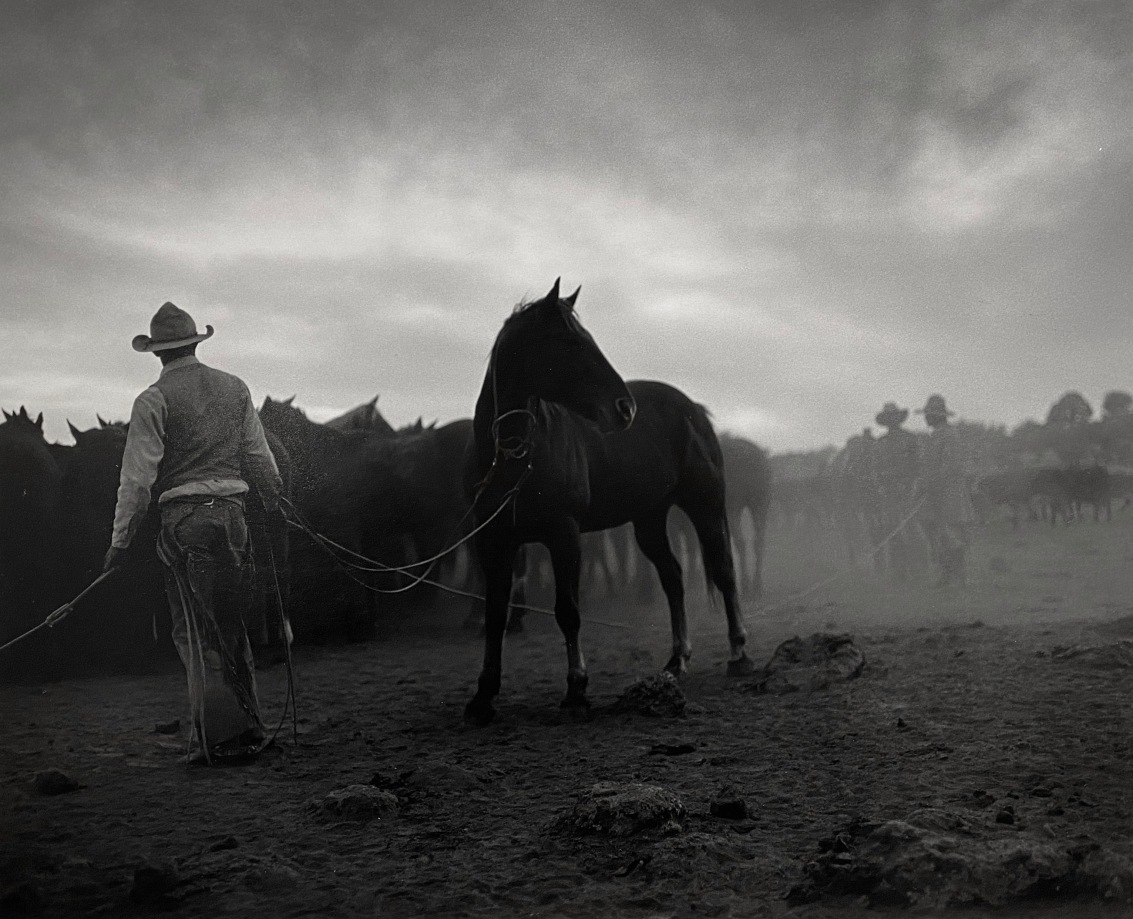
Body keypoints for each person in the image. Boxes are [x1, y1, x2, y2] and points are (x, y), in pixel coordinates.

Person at [104, 302, 283, 765]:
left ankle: (221, 739)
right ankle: (251, 726)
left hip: (185, 523)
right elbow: (259, 456)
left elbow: (137, 481)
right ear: (194, 343)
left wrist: (120, 543)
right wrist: (275, 497)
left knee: (192, 629)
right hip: (233, 515)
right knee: (231, 621)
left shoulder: (152, 400)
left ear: (158, 353)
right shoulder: (234, 387)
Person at [916, 394, 975, 587]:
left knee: (951, 535)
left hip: (948, 493)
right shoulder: (936, 435)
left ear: (936, 416)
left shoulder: (949, 435)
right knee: (941, 535)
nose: (925, 418)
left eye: (928, 414)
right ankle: (948, 575)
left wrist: (931, 483)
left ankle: (961, 578)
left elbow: (951, 466)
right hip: (938, 493)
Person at [871, 402, 923, 581]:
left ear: (899, 419)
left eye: (894, 418)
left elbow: (918, 466)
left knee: (913, 531)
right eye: (888, 419)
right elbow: (875, 470)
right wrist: (881, 487)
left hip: (909, 492)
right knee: (892, 532)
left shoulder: (910, 439)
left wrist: (912, 486)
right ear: (885, 422)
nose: (891, 422)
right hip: (888, 493)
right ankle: (899, 571)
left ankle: (918, 569)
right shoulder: (880, 443)